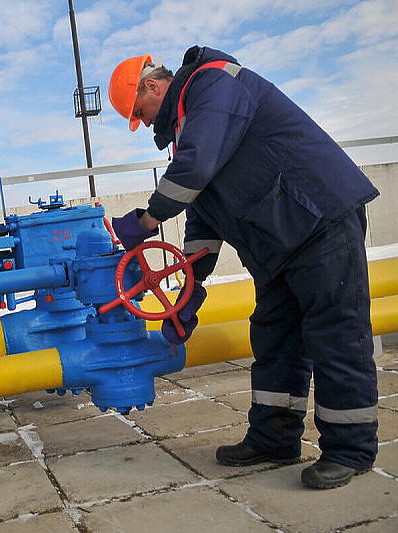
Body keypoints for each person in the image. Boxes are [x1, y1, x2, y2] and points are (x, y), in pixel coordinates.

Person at [107, 46, 379, 489]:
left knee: (336, 334)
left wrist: (144, 221)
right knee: (275, 337)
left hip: (318, 220)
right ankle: (274, 438)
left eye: (141, 112)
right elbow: (202, 215)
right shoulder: (191, 125)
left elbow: (194, 168)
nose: (145, 126)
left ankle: (350, 449)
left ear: (153, 86)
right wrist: (188, 291)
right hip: (277, 245)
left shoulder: (213, 85)